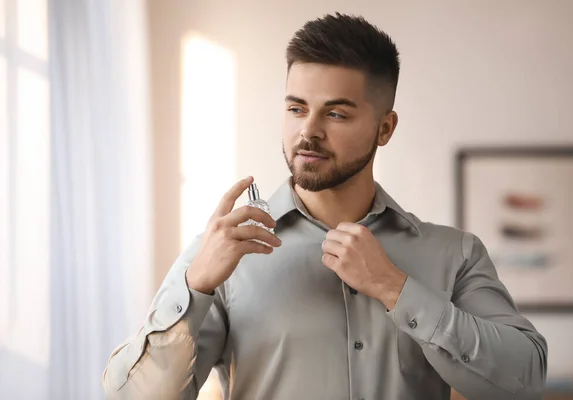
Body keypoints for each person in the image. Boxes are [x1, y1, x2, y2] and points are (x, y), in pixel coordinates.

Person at [103, 12, 547, 400]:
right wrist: (195, 285)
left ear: (385, 128)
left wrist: (396, 288)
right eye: (297, 109)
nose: (308, 132)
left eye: (335, 114)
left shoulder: (456, 255)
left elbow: (524, 381)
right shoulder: (222, 254)